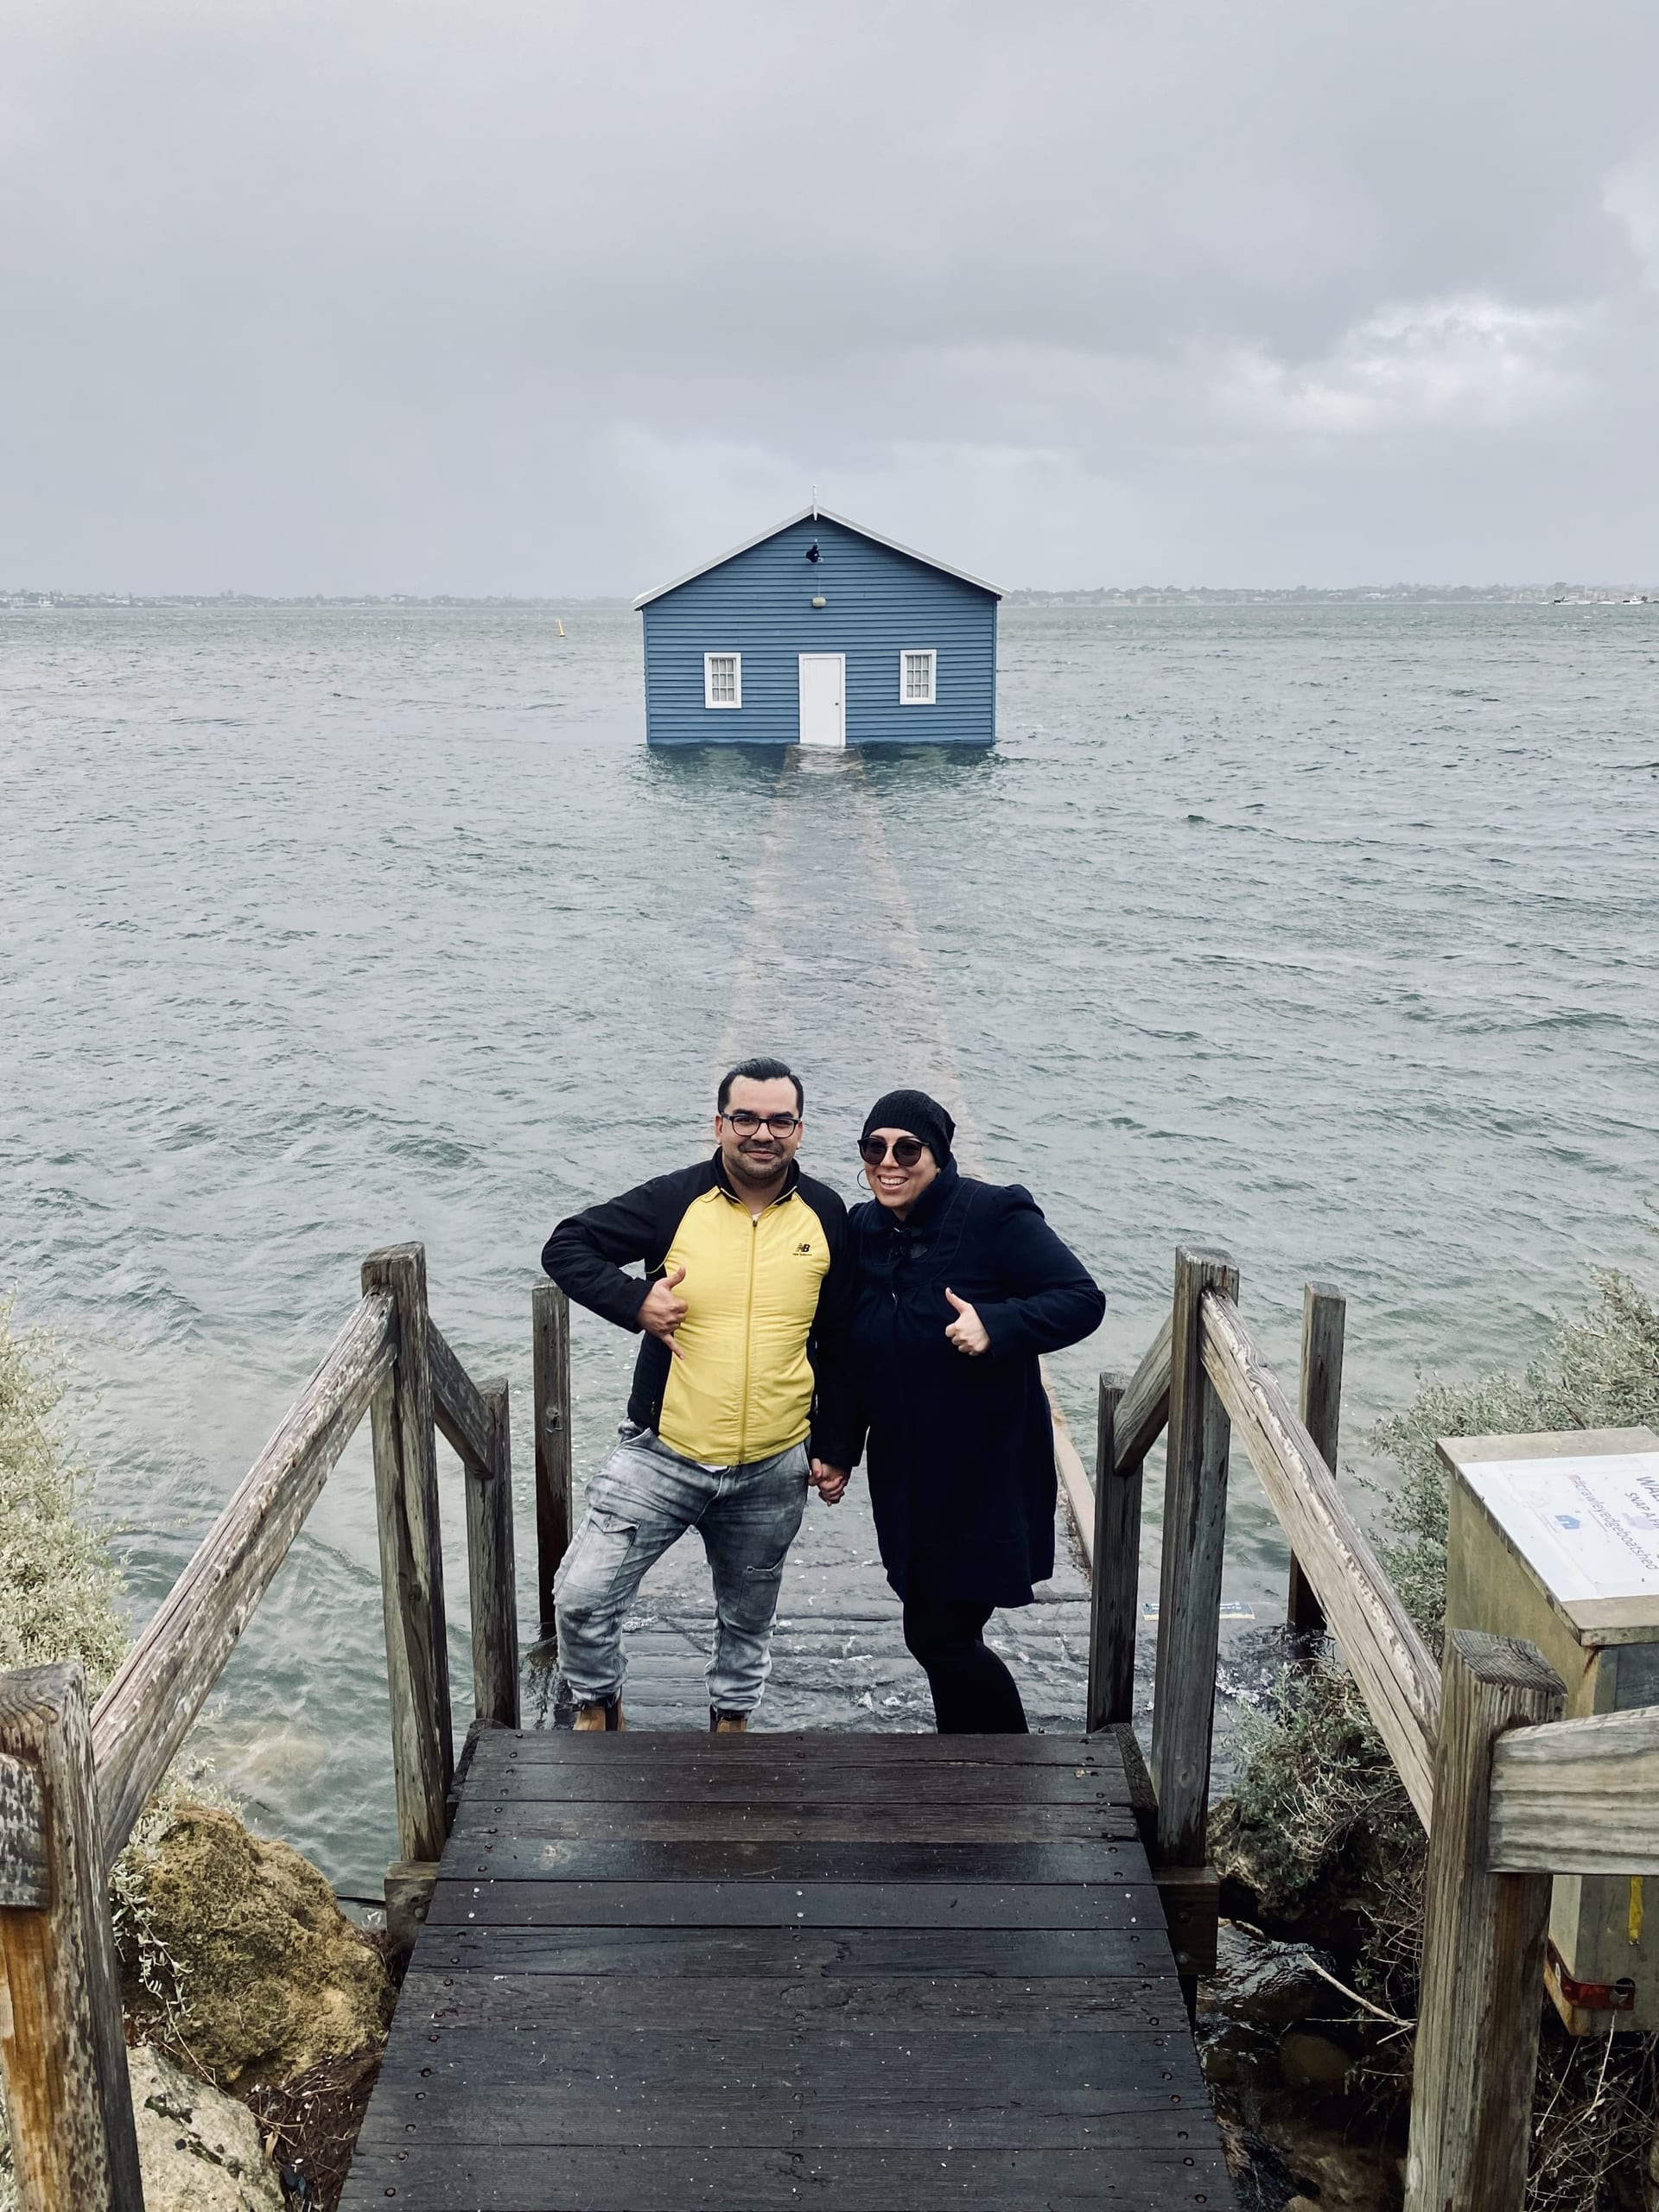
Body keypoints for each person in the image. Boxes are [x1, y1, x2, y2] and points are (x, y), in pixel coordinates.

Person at [541, 1058, 853, 1733]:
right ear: (719, 1125)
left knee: (748, 1615)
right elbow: (567, 1245)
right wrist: (635, 1301)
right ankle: (600, 1705)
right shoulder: (673, 1201)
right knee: (581, 1596)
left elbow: (842, 1343)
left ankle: (731, 1723)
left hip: (775, 1462)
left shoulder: (828, 1215)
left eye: (779, 1120)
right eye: (746, 1118)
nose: (761, 1133)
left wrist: (836, 1446)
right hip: (663, 1452)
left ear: (800, 1130)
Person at [823, 1088, 1104, 1733]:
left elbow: (1081, 1298)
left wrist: (998, 1324)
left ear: (939, 1154)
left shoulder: (994, 1214)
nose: (888, 1162)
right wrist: (839, 1447)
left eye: (907, 1148)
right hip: (904, 1472)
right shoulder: (862, 1229)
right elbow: (844, 1352)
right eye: (874, 1148)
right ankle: (966, 1756)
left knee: (941, 1633)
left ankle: (1004, 1764)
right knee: (930, 1620)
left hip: (985, 1469)